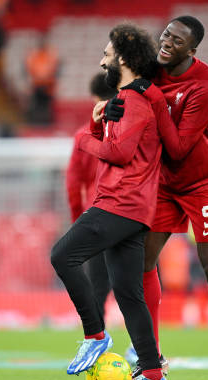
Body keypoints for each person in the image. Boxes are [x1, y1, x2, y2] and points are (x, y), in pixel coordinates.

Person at [110, 16, 208, 380]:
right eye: (166, 35)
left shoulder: (206, 85)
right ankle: (151, 361)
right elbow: (124, 88)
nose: (167, 42)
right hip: (166, 184)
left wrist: (152, 96)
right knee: (142, 261)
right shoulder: (153, 69)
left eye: (177, 39)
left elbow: (179, 148)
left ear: (192, 50)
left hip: (205, 182)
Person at [50, 24, 168, 380]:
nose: (102, 61)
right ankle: (152, 374)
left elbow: (118, 154)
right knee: (129, 293)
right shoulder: (129, 101)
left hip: (120, 204)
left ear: (124, 59)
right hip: (133, 208)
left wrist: (83, 137)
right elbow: (116, 144)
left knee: (61, 256)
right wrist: (95, 123)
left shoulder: (134, 101)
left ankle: (95, 333)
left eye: (106, 54)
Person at [65, 72, 117, 317]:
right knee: (139, 284)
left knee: (97, 286)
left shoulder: (83, 136)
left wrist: (78, 219)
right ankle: (147, 347)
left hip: (95, 217)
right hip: (130, 214)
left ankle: (97, 342)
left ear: (94, 98)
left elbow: (73, 184)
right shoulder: (133, 130)